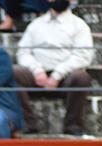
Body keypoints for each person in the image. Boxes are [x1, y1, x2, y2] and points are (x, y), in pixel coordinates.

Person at [13, 0, 93, 135]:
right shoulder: (36, 24)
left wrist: (57, 75)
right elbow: (23, 53)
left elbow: (83, 56)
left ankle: (72, 126)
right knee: (13, 73)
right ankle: (28, 124)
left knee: (81, 78)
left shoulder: (79, 25)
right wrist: (37, 70)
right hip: (37, 76)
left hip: (65, 77)